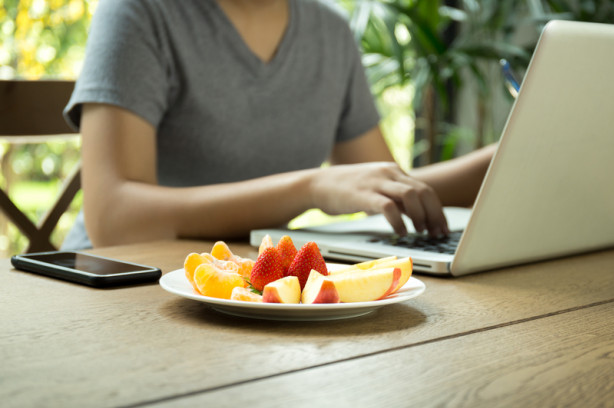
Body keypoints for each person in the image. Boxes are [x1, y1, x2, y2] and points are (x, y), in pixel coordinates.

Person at [62, 0, 495, 250]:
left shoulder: (331, 32)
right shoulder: (140, 13)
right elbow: (112, 219)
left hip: (258, 289)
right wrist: (311, 188)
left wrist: (502, 160)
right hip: (122, 285)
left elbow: (385, 189)